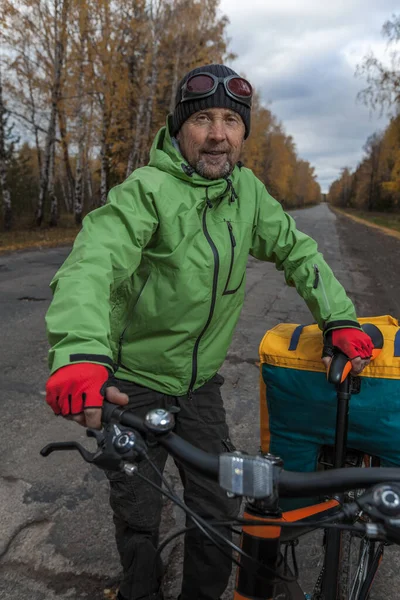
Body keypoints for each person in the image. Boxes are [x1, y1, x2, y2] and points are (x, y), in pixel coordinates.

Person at [44, 64, 373, 600]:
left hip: (198, 387)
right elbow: (93, 263)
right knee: (138, 508)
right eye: (202, 119)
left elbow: (297, 249)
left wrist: (338, 317)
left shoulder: (248, 194)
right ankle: (140, 588)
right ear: (180, 129)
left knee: (218, 508)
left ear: (243, 132)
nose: (217, 133)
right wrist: (80, 352)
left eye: (230, 120)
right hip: (132, 380)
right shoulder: (147, 191)